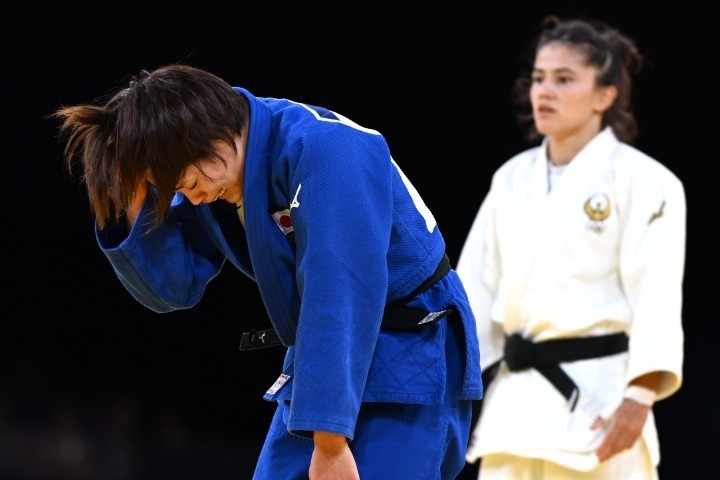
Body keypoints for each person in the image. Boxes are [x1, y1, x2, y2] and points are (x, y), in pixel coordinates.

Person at [53, 63, 483, 479]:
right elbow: (173, 286)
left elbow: (338, 292)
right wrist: (128, 202)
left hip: (412, 342)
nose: (192, 199)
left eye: (181, 185)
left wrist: (329, 444)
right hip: (324, 357)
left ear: (207, 140)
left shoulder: (325, 148)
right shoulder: (222, 174)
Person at [457, 15, 685, 480]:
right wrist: (446, 386)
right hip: (514, 412)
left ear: (605, 95)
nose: (544, 91)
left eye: (564, 79)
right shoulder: (511, 180)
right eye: (539, 78)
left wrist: (640, 397)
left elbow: (656, 293)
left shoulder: (647, 181)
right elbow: (473, 292)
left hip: (602, 402)